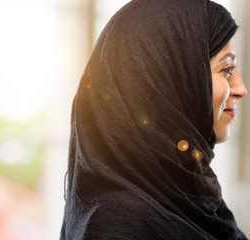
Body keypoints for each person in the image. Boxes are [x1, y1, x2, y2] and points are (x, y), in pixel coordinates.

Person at [60, 0, 248, 239]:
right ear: (169, 82)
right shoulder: (120, 228)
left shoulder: (189, 199)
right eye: (227, 70)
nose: (241, 88)